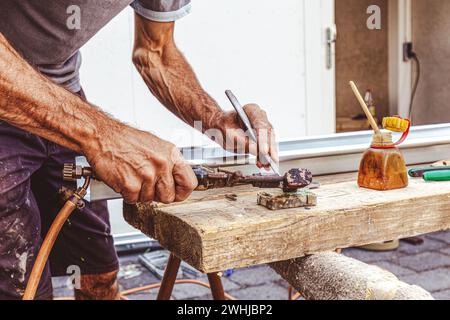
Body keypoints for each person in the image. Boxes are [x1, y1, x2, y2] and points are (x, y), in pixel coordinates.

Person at [0, 1, 277, 300]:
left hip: (63, 102)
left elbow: (155, 53)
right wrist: (103, 135)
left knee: (98, 276)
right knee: (23, 288)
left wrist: (215, 119)